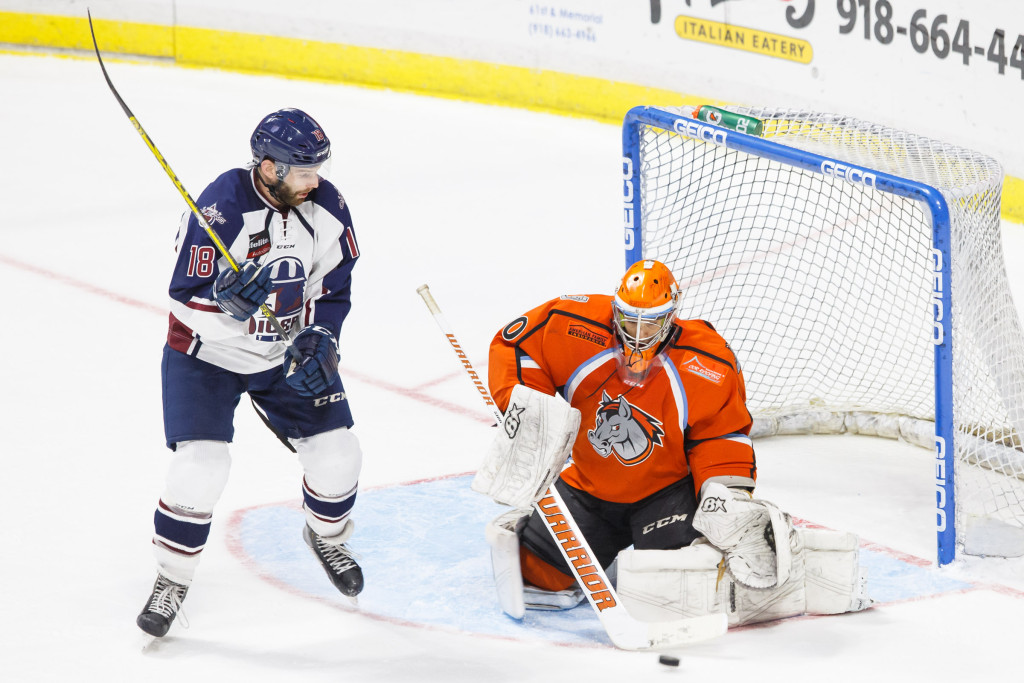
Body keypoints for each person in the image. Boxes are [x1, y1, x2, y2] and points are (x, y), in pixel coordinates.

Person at [477, 259, 870, 625]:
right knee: (538, 577)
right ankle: (585, 549)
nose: (637, 333)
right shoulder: (572, 324)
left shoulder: (706, 360)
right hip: (590, 487)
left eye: (650, 323)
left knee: (674, 593)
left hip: (665, 497)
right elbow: (516, 344)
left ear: (672, 315)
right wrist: (528, 408)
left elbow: (721, 434)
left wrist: (726, 494)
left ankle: (792, 566)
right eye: (628, 319)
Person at [137, 109, 364, 638]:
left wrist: (318, 339)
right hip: (204, 356)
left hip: (280, 354)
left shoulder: (328, 206)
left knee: (339, 454)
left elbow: (333, 287)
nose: (316, 181)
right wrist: (224, 304)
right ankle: (172, 578)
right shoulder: (220, 207)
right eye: (303, 171)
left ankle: (326, 535)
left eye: (318, 170)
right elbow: (184, 298)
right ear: (268, 167)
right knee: (201, 467)